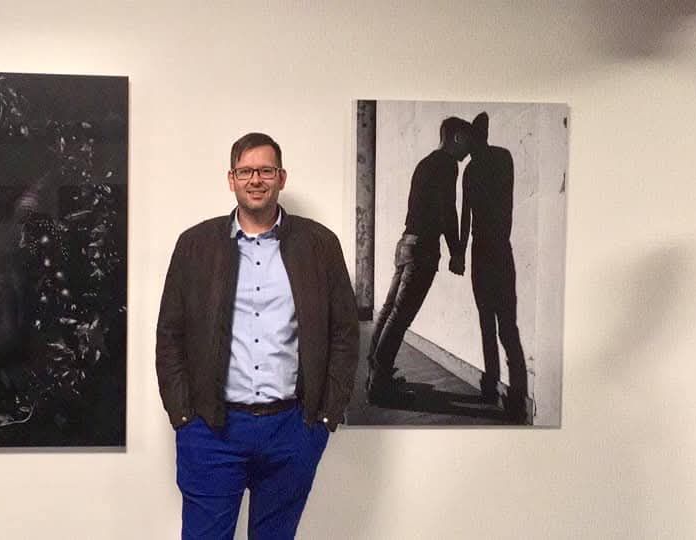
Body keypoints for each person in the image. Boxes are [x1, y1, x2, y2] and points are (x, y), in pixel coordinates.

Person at [156, 132, 358, 539]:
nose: (256, 179)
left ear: (281, 177)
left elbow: (344, 334)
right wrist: (184, 417)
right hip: (212, 430)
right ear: (231, 179)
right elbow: (170, 336)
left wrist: (324, 417)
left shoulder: (319, 245)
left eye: (266, 170)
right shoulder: (195, 245)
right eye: (246, 171)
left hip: (292, 429)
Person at [365, 117, 470, 405]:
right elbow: (448, 210)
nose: (469, 151)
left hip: (406, 244)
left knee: (388, 312)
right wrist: (457, 251)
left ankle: (376, 374)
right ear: (457, 137)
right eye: (468, 141)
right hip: (422, 248)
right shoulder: (448, 165)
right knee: (399, 318)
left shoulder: (425, 162)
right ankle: (380, 386)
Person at [460, 112, 529, 424]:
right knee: (505, 326)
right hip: (498, 248)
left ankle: (494, 387)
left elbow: (466, 217)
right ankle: (513, 397)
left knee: (491, 323)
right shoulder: (502, 159)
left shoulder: (473, 169)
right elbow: (491, 209)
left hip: (485, 250)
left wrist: (460, 253)